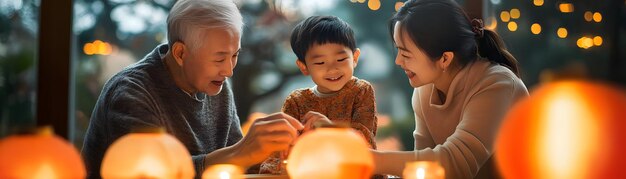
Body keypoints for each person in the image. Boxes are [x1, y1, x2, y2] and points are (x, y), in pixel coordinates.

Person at [81, 0, 303, 178]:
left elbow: (239, 166)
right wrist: (240, 153)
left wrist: (287, 148)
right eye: (219, 59)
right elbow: (157, 173)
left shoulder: (217, 85)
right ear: (180, 53)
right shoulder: (131, 93)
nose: (228, 71)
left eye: (234, 56)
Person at [370, 0, 529, 178]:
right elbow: (425, 171)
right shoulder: (425, 90)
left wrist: (370, 159)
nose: (398, 61)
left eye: (406, 54)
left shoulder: (497, 84)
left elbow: (456, 164)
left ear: (445, 58)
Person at [259, 15, 379, 174]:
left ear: (355, 58)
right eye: (320, 62)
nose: (332, 68)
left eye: (341, 59)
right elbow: (279, 150)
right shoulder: (296, 102)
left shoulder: (361, 90)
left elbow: (365, 142)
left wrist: (330, 127)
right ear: (304, 67)